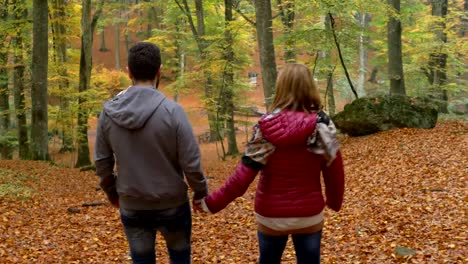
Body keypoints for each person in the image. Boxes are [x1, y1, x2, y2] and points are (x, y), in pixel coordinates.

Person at [197, 63, 345, 264]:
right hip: (308, 215)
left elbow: (241, 178)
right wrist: (334, 202)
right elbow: (334, 171)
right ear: (310, 87)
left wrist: (211, 203)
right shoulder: (322, 126)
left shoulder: (266, 126)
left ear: (280, 88)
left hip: (270, 216)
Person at [94, 42, 208, 264]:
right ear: (159, 70)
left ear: (129, 71)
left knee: (142, 259)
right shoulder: (173, 111)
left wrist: (112, 192)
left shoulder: (109, 113)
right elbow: (191, 162)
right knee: (180, 258)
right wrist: (200, 191)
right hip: (173, 204)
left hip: (132, 203)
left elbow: (102, 162)